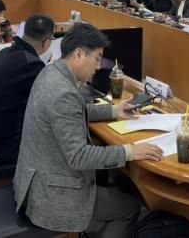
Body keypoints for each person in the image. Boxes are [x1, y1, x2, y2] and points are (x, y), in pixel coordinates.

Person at [14, 23, 163, 236]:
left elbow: (72, 111)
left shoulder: (51, 72)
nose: (99, 66)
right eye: (97, 58)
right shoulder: (64, 93)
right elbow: (79, 157)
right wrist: (130, 151)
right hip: (51, 196)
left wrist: (113, 111)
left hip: (35, 180)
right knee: (130, 208)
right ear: (78, 55)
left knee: (109, 184)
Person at [0, 14, 55, 166]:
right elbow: (50, 108)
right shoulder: (31, 65)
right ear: (46, 42)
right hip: (5, 151)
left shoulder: (2, 53)